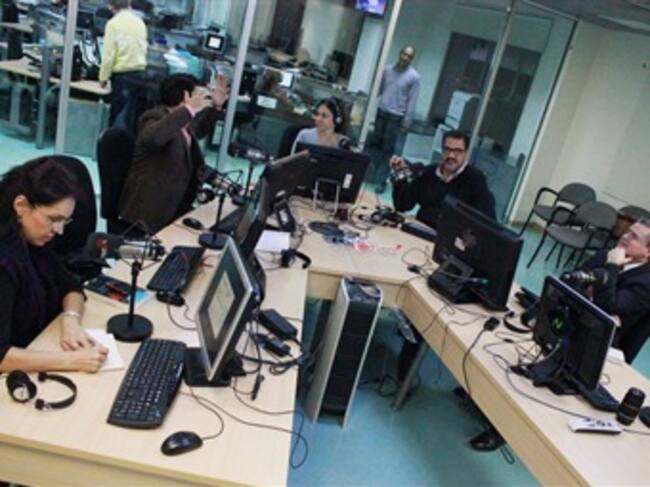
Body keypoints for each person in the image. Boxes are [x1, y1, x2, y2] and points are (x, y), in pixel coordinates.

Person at [470, 219, 650, 452]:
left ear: (647, 252)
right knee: (513, 349)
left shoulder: (644, 281)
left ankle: (502, 430)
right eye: (628, 231)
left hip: (598, 347)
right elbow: (570, 278)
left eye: (634, 237)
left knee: (540, 384)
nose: (625, 236)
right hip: (570, 319)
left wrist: (613, 267)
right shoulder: (607, 254)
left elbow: (608, 306)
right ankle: (484, 402)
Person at [0, 158, 108, 373]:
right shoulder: (4, 263)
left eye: (64, 221)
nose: (59, 230)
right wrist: (71, 361)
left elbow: (71, 287)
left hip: (39, 345)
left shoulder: (32, 239)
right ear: (21, 206)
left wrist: (71, 319)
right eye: (53, 218)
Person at [118, 73, 229, 234]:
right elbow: (156, 137)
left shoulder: (182, 121)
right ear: (185, 97)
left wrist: (216, 107)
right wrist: (189, 110)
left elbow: (198, 131)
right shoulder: (153, 118)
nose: (202, 98)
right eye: (197, 94)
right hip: (147, 213)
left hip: (173, 204)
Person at [390, 129, 496, 229]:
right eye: (447, 149)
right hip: (420, 231)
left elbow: (488, 224)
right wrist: (401, 175)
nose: (451, 155)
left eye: (457, 151)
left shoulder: (475, 180)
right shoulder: (429, 172)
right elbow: (402, 205)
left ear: (466, 153)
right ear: (442, 150)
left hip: (450, 239)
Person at [371, 45, 420, 193]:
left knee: (388, 151)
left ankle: (381, 181)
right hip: (381, 113)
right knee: (375, 146)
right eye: (404, 54)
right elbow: (378, 90)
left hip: (396, 117)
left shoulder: (414, 77)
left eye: (409, 56)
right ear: (399, 53)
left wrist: (406, 123)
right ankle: (370, 177)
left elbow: (412, 101)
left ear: (412, 59)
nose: (405, 58)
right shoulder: (387, 70)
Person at [99, 0, 148, 133]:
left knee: (116, 116)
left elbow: (109, 55)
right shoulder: (140, 22)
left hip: (122, 75)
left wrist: (103, 77)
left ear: (110, 6)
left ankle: (110, 143)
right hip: (140, 74)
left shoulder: (113, 24)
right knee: (131, 118)